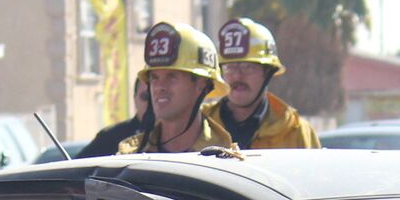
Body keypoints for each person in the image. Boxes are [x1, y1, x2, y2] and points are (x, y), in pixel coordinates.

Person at [119, 21, 235, 153]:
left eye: (171, 76)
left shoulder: (224, 158)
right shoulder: (130, 155)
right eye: (154, 78)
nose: (159, 87)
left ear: (201, 84)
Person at [206, 17, 320, 149]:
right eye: (229, 67)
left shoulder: (295, 132)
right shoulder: (199, 127)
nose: (237, 75)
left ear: (268, 72)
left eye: (247, 67)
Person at [81, 72, 151, 157]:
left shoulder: (170, 139)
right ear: (135, 99)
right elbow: (77, 167)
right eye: (146, 97)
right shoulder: (110, 138)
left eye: (159, 96)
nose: (152, 103)